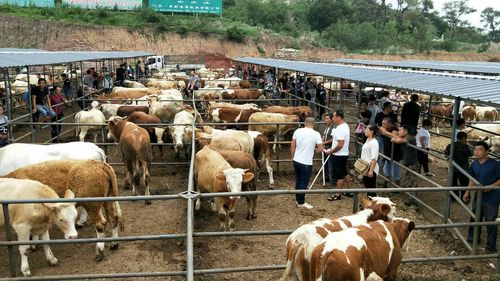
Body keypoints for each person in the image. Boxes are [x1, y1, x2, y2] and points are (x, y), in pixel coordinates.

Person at [463, 141, 500, 253]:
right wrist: (467, 192)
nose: (477, 152)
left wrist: (491, 187)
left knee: (490, 222)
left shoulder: (495, 164)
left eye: (480, 150)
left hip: (492, 198)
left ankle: (490, 247)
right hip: (478, 196)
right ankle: (472, 238)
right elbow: (472, 179)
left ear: (487, 152)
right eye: (475, 149)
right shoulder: (474, 164)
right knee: (475, 217)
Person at [290, 117, 324, 210]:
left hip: (296, 159)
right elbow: (320, 149)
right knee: (303, 182)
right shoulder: (316, 134)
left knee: (298, 180)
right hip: (306, 162)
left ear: (305, 123)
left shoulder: (298, 131)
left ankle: (298, 199)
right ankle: (301, 202)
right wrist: (314, 150)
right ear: (314, 124)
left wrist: (292, 157)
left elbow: (293, 145)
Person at [391, 124, 419, 208]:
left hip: (413, 164)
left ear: (405, 131)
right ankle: (411, 200)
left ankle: (414, 202)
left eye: (400, 130)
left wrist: (395, 137)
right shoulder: (407, 137)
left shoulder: (410, 138)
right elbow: (394, 139)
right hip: (409, 163)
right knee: (409, 182)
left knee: (411, 183)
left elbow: (396, 140)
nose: (399, 132)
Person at [325, 110, 350, 201]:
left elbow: (340, 144)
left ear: (339, 117)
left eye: (334, 116)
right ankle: (350, 190)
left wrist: (331, 151)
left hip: (339, 154)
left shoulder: (340, 128)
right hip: (343, 153)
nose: (333, 118)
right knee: (344, 172)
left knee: (340, 175)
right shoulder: (344, 126)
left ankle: (337, 194)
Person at [445, 131, 473, 200]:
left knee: (453, 183)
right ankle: (464, 198)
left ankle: (453, 197)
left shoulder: (450, 145)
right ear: (463, 138)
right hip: (464, 169)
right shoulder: (466, 147)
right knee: (464, 184)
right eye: (466, 139)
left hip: (453, 168)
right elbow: (471, 154)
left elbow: (446, 155)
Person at [379, 117, 402, 187]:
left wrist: (385, 132)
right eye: (382, 123)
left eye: (384, 124)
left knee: (395, 171)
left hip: (395, 155)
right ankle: (385, 182)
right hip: (388, 153)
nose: (382, 125)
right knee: (386, 169)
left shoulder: (394, 130)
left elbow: (395, 136)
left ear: (390, 124)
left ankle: (397, 186)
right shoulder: (385, 129)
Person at [361, 125, 379, 197]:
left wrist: (371, 170)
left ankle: (373, 203)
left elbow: (374, 158)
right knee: (367, 186)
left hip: (370, 167)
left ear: (371, 131)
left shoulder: (374, 143)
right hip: (365, 166)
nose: (365, 130)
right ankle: (369, 202)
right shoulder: (368, 140)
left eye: (367, 129)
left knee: (371, 187)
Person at [322, 113, 334, 183]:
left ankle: (332, 179)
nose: (325, 120)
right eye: (325, 118)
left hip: (330, 148)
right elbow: (324, 136)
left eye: (327, 118)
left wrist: (324, 143)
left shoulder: (333, 128)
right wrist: (322, 139)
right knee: (325, 164)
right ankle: (326, 177)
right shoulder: (326, 127)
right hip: (325, 148)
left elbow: (333, 139)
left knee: (330, 164)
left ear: (331, 119)